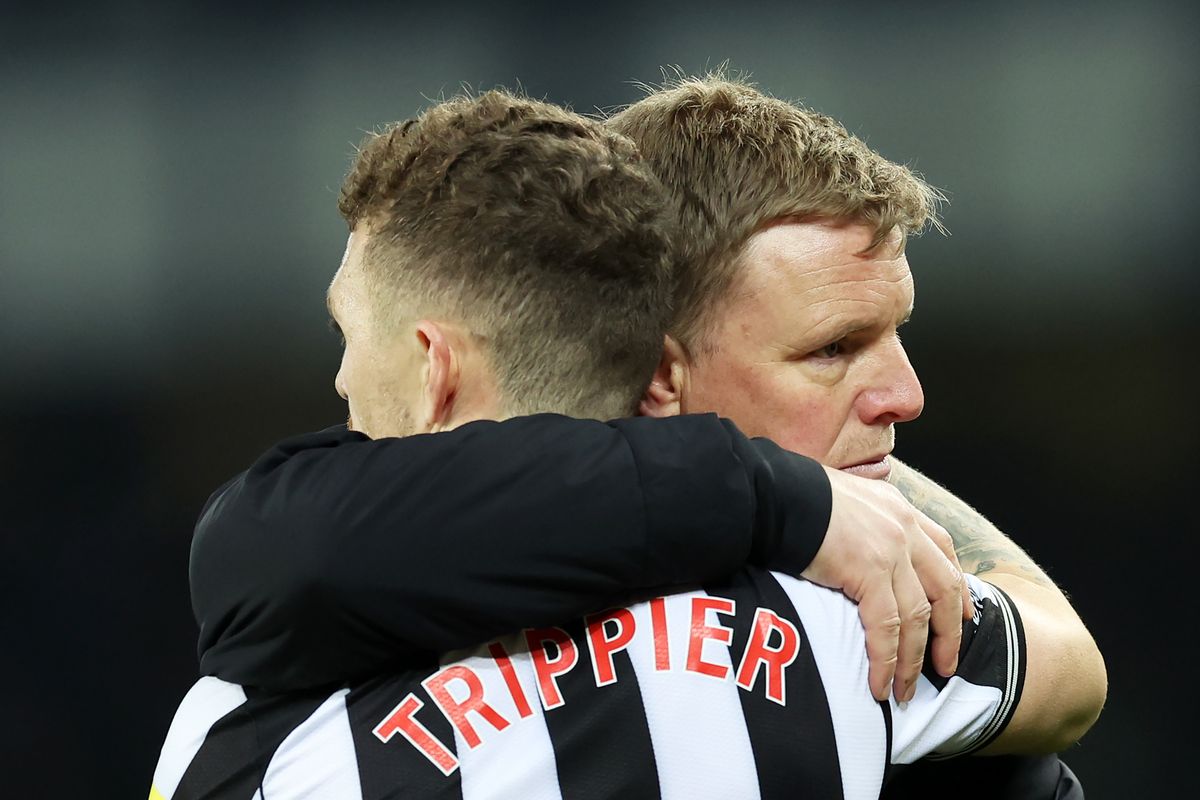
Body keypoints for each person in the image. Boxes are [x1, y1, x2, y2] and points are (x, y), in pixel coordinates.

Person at [152, 89, 1104, 799]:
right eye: (832, 351)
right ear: (660, 376)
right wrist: (789, 494)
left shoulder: (250, 714)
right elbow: (1064, 668)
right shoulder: (852, 653)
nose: (906, 394)